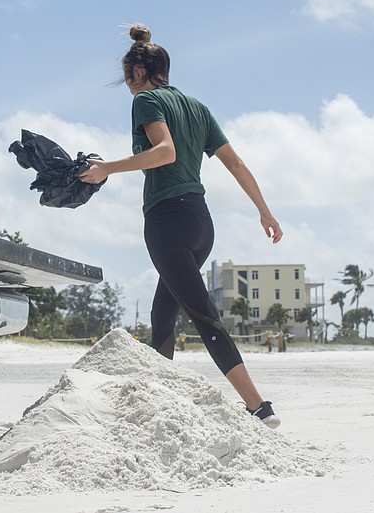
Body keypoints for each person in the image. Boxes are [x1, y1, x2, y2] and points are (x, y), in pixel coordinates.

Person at [79, 24, 283, 428]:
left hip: (167, 221)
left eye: (126, 78)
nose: (127, 86)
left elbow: (165, 152)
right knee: (162, 311)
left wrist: (106, 169)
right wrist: (264, 210)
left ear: (137, 72)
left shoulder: (146, 100)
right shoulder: (197, 107)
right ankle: (161, 393)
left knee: (204, 315)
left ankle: (259, 406)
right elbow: (236, 163)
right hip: (200, 223)